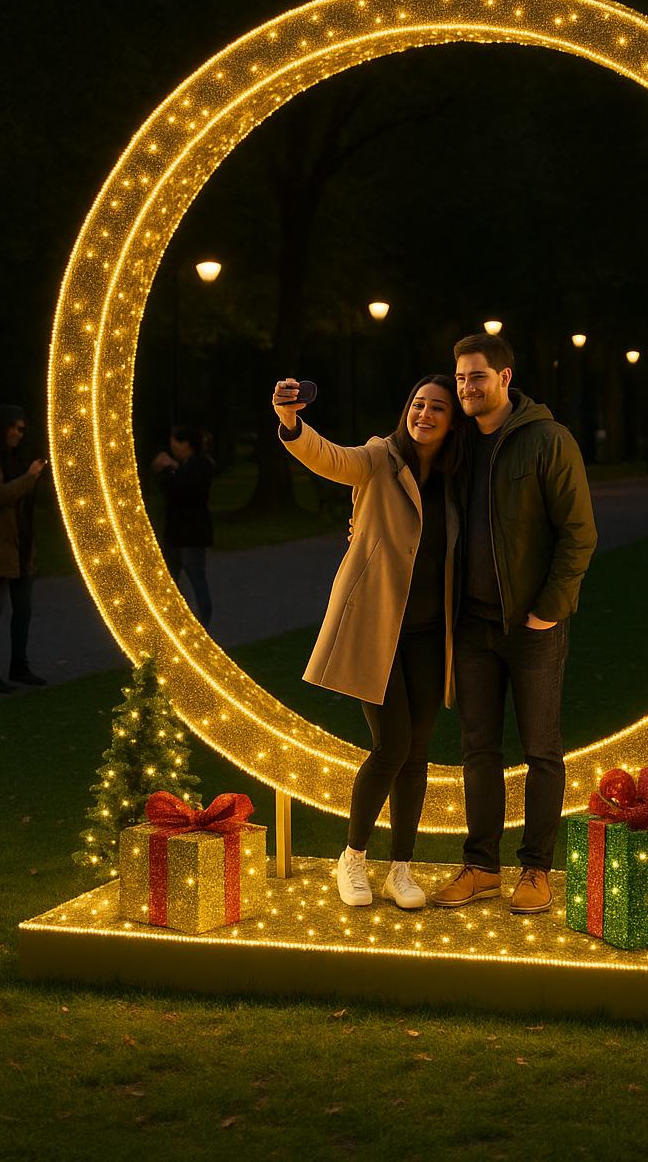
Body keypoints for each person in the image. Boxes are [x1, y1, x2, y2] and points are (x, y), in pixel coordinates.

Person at [273, 373, 463, 911]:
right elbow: (331, 458)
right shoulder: (381, 458)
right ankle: (352, 856)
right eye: (418, 404)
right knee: (393, 745)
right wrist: (291, 422)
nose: (424, 414)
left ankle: (400, 868)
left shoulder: (455, 476)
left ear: (452, 422)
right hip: (376, 627)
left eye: (437, 409)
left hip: (430, 633)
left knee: (419, 749)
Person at [432, 333, 597, 916]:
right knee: (477, 749)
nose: (467, 388)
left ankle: (536, 870)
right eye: (459, 378)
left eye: (477, 376)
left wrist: (547, 610)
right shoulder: (453, 443)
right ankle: (480, 867)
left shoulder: (547, 440)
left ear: (505, 377)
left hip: (533, 626)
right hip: (471, 627)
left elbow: (579, 533)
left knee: (541, 750)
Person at [0, 405, 47, 693]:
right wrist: (30, 477)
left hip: (21, 545)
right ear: (0, 427)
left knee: (23, 610)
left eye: (22, 429)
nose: (18, 433)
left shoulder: (14, 459)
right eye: (14, 427)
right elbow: (1, 494)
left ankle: (19, 666)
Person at [151, 424, 216, 627]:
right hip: (176, 534)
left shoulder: (200, 465)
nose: (172, 448)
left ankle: (202, 622)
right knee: (170, 581)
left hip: (191, 534)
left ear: (185, 444)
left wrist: (169, 467)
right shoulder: (186, 466)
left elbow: (180, 487)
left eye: (174, 443)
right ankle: (175, 620)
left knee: (196, 578)